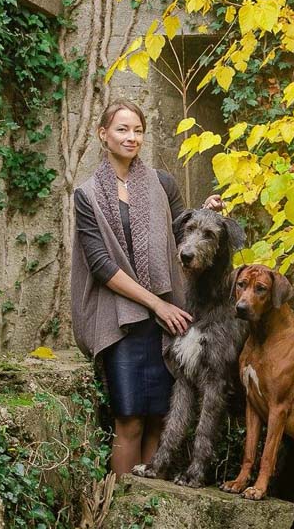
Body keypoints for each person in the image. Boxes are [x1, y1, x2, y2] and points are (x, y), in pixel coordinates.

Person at [70, 99, 224, 475]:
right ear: (102, 135)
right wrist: (157, 305)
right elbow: (103, 266)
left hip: (167, 318)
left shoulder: (161, 183)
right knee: (129, 421)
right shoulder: (87, 195)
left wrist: (206, 212)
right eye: (122, 129)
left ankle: (151, 505)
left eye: (138, 130)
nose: (131, 137)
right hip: (122, 319)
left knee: (158, 417)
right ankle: (124, 510)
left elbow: (180, 240)